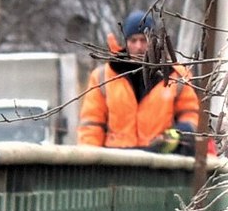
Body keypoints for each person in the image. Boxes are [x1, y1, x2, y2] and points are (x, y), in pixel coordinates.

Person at [79, 11, 201, 152]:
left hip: (161, 159)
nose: (139, 46)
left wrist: (177, 135)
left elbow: (191, 115)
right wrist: (90, 160)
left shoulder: (177, 75)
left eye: (144, 40)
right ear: (125, 42)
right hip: (116, 162)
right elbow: (92, 124)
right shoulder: (102, 76)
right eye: (133, 40)